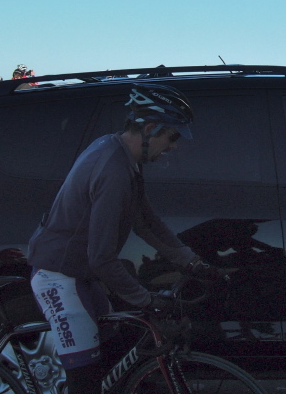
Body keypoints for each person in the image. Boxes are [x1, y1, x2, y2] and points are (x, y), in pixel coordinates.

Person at [30, 85, 216, 393]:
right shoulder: (113, 170)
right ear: (151, 128)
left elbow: (145, 221)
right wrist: (147, 299)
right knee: (86, 383)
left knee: (117, 356)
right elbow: (101, 258)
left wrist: (192, 262)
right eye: (172, 137)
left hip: (81, 276)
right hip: (59, 277)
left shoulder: (118, 152)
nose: (173, 147)